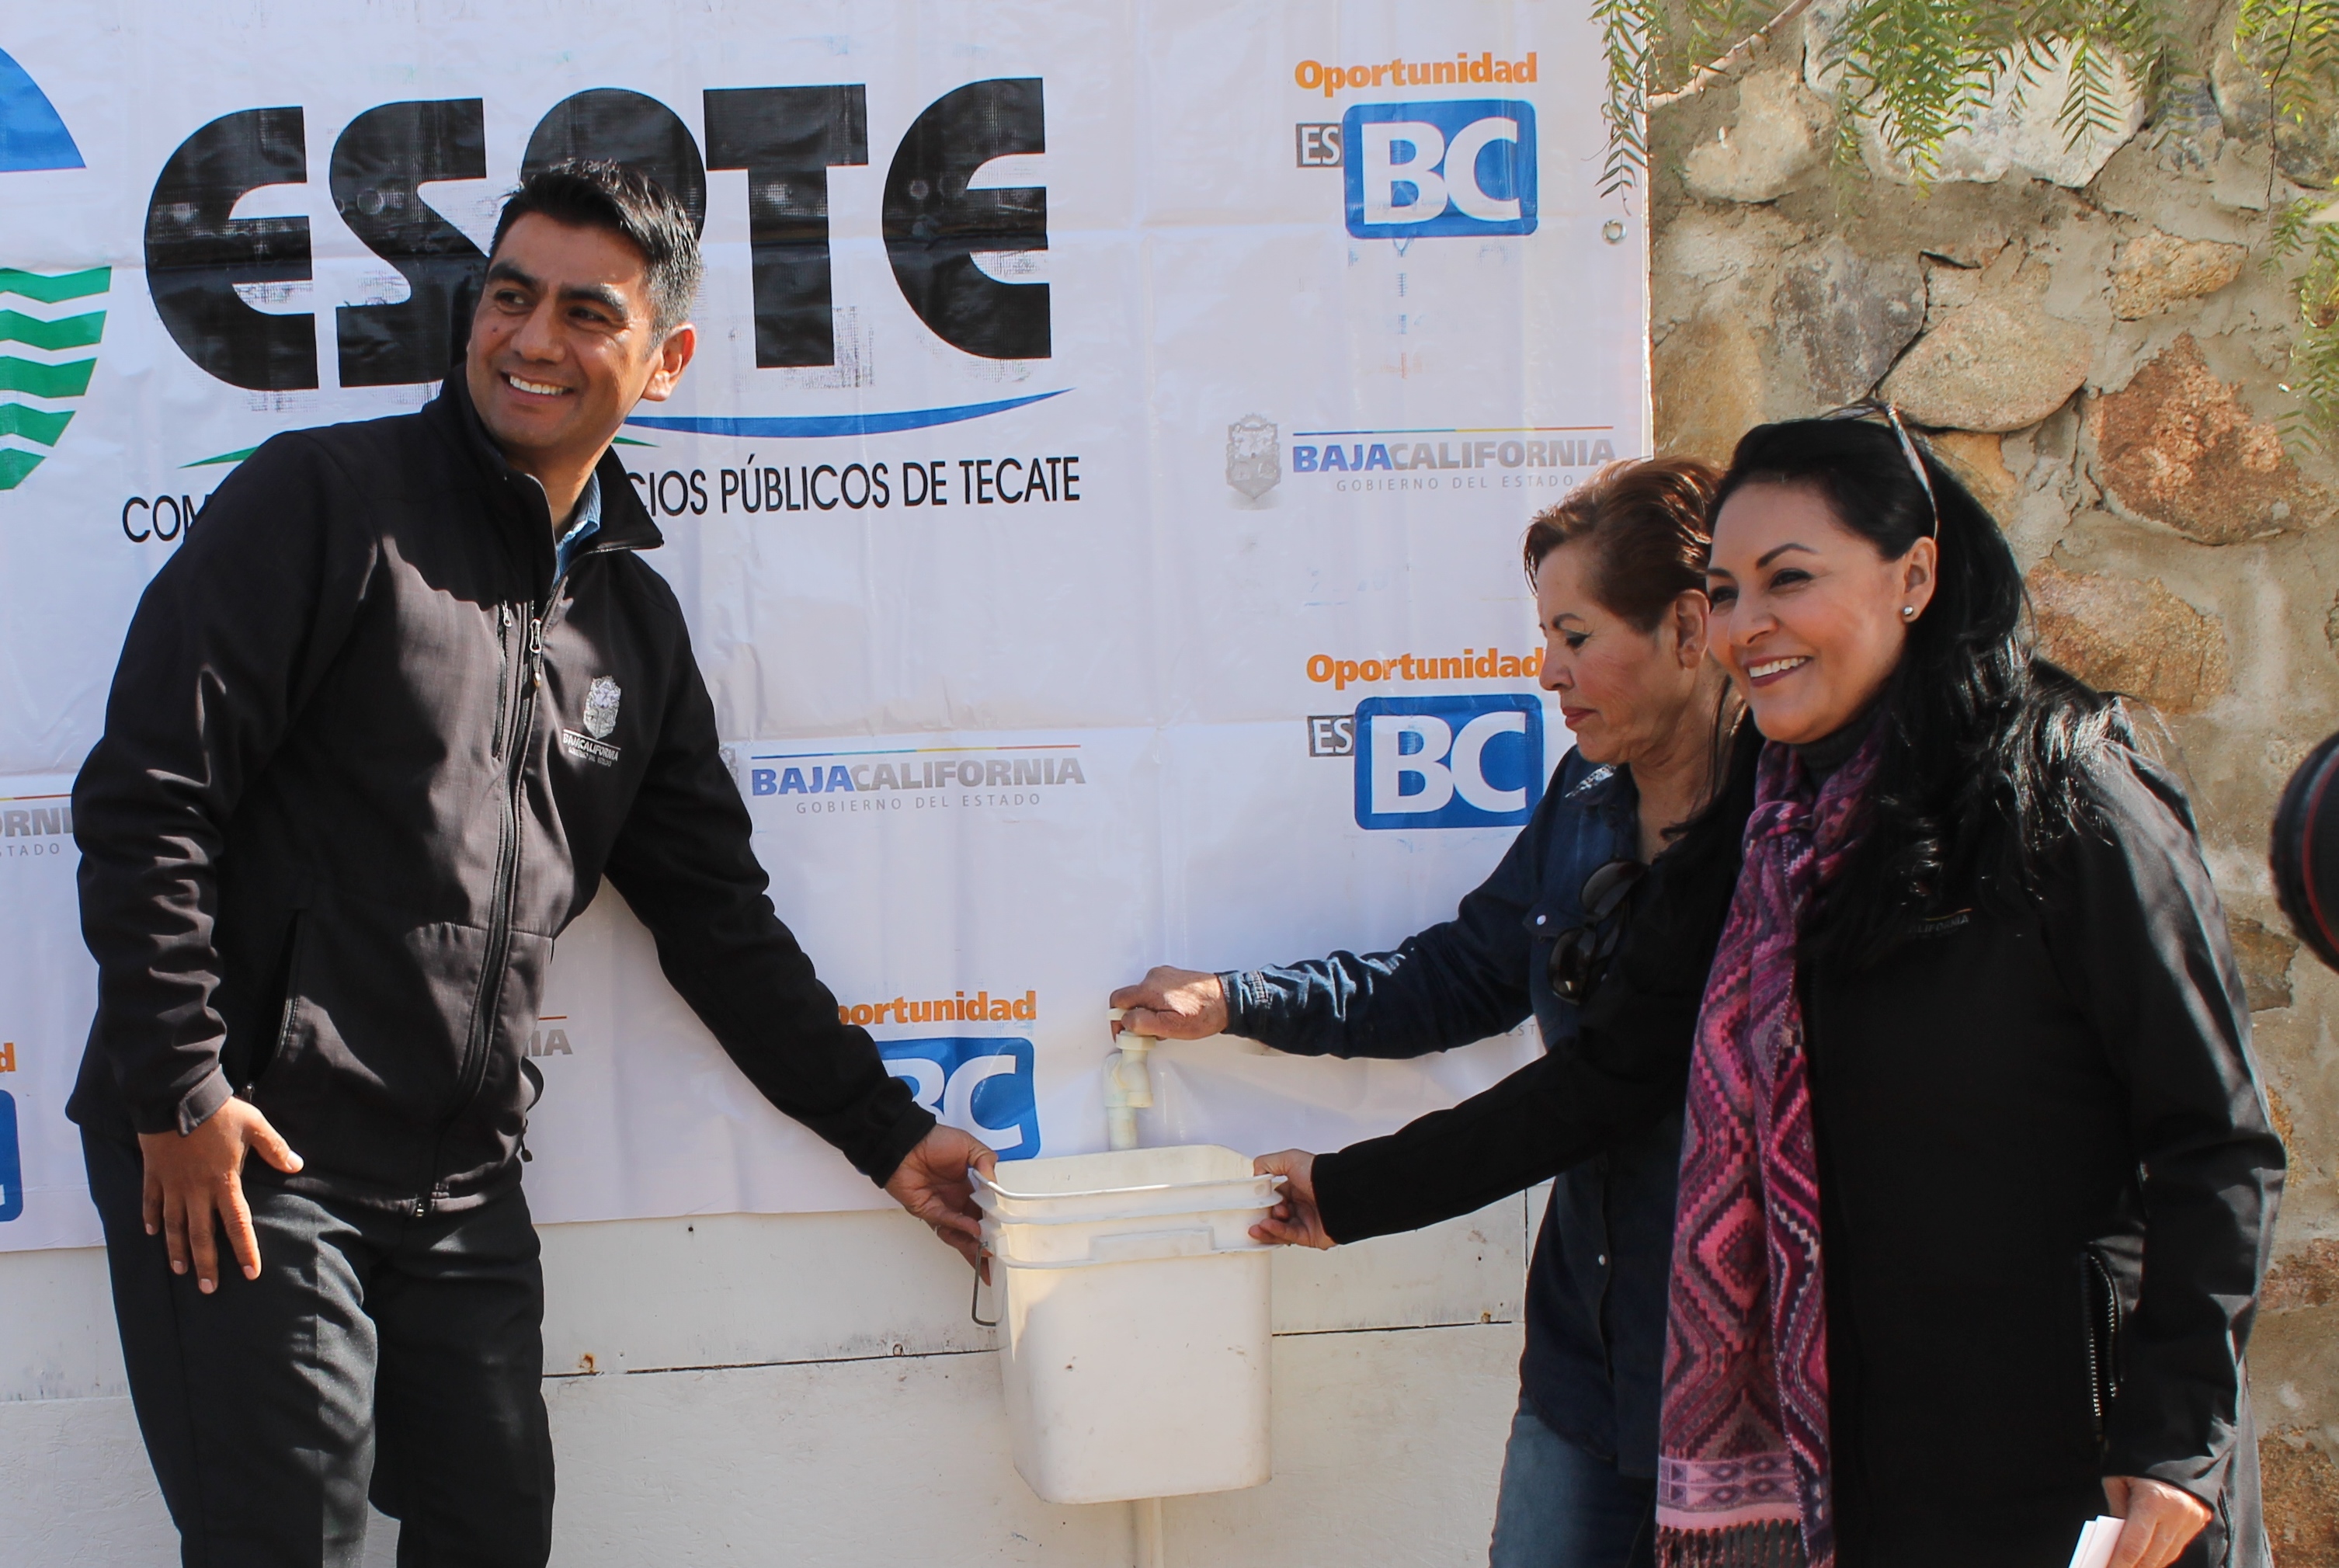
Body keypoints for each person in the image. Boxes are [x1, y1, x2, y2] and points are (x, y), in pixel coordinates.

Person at [68, 162, 992, 1568]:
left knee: (496, 1537)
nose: (531, 339)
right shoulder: (324, 504)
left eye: (584, 311)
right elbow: (149, 802)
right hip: (252, 1154)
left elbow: (719, 925)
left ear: (665, 359)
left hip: (459, 1182)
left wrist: (886, 1134)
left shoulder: (633, 623)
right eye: (508, 297)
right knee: (282, 1548)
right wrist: (180, 1090)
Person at [1250, 411, 2284, 1568]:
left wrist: (2175, 1440)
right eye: (1730, 591)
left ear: (1917, 575)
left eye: (1789, 580)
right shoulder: (1761, 825)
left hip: (2065, 1463)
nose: (1750, 627)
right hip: (1857, 1459)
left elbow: (2216, 1141)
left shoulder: (2067, 799)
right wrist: (1351, 1192)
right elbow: (1604, 1079)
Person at [1112, 458, 1736, 1568]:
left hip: (1749, 1395)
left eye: (1578, 636)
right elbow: (1458, 976)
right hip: (1584, 1374)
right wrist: (1238, 1001)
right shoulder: (1585, 803)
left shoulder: (1786, 846)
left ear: (1691, 630)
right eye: (1546, 636)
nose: (1548, 672)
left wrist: (1357, 1190)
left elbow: (1589, 1096)